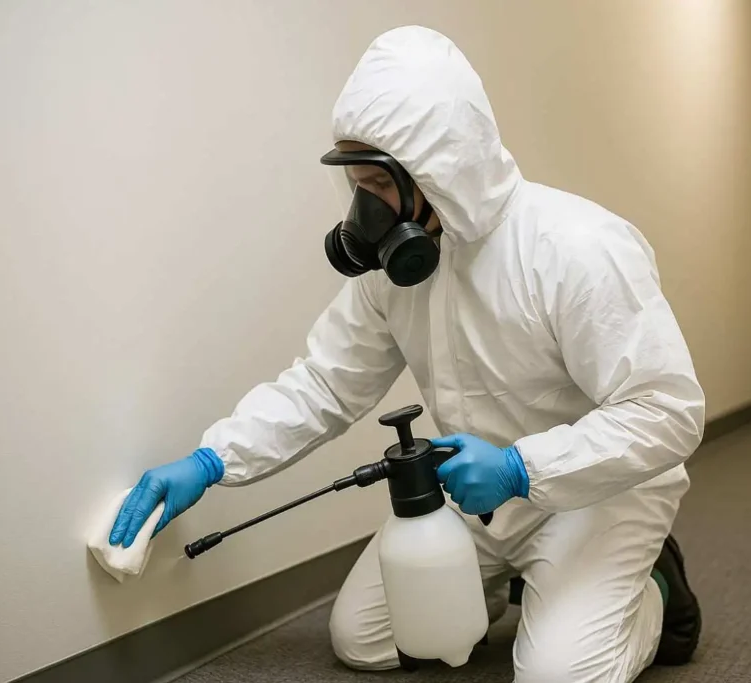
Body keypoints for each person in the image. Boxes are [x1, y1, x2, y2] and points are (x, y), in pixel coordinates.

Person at [110, 25, 706, 682]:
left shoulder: (577, 249)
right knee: (363, 637)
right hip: (475, 495)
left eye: (377, 184)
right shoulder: (399, 271)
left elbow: (668, 410)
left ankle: (648, 592)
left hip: (597, 493)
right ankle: (521, 590)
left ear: (439, 169)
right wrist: (214, 458)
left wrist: (519, 465)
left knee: (557, 675)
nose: (364, 208)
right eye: (358, 185)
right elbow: (326, 384)